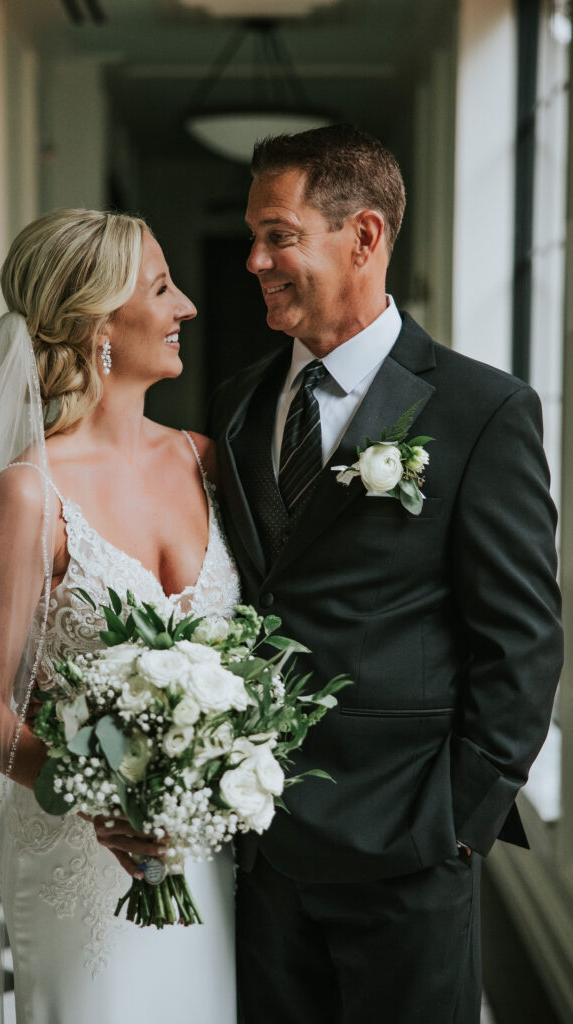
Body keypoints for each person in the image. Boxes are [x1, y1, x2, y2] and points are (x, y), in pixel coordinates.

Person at [208, 124, 564, 1023]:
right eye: (254, 235)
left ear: (363, 236)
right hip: (260, 845)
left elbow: (521, 643)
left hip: (407, 845)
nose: (253, 259)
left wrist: (452, 826)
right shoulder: (244, 401)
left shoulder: (483, 411)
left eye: (279, 235)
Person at [0, 209, 240, 1024]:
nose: (186, 309)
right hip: (81, 862)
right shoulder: (28, 496)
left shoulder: (207, 461)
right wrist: (103, 804)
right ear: (99, 323)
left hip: (205, 852)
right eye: (163, 288)